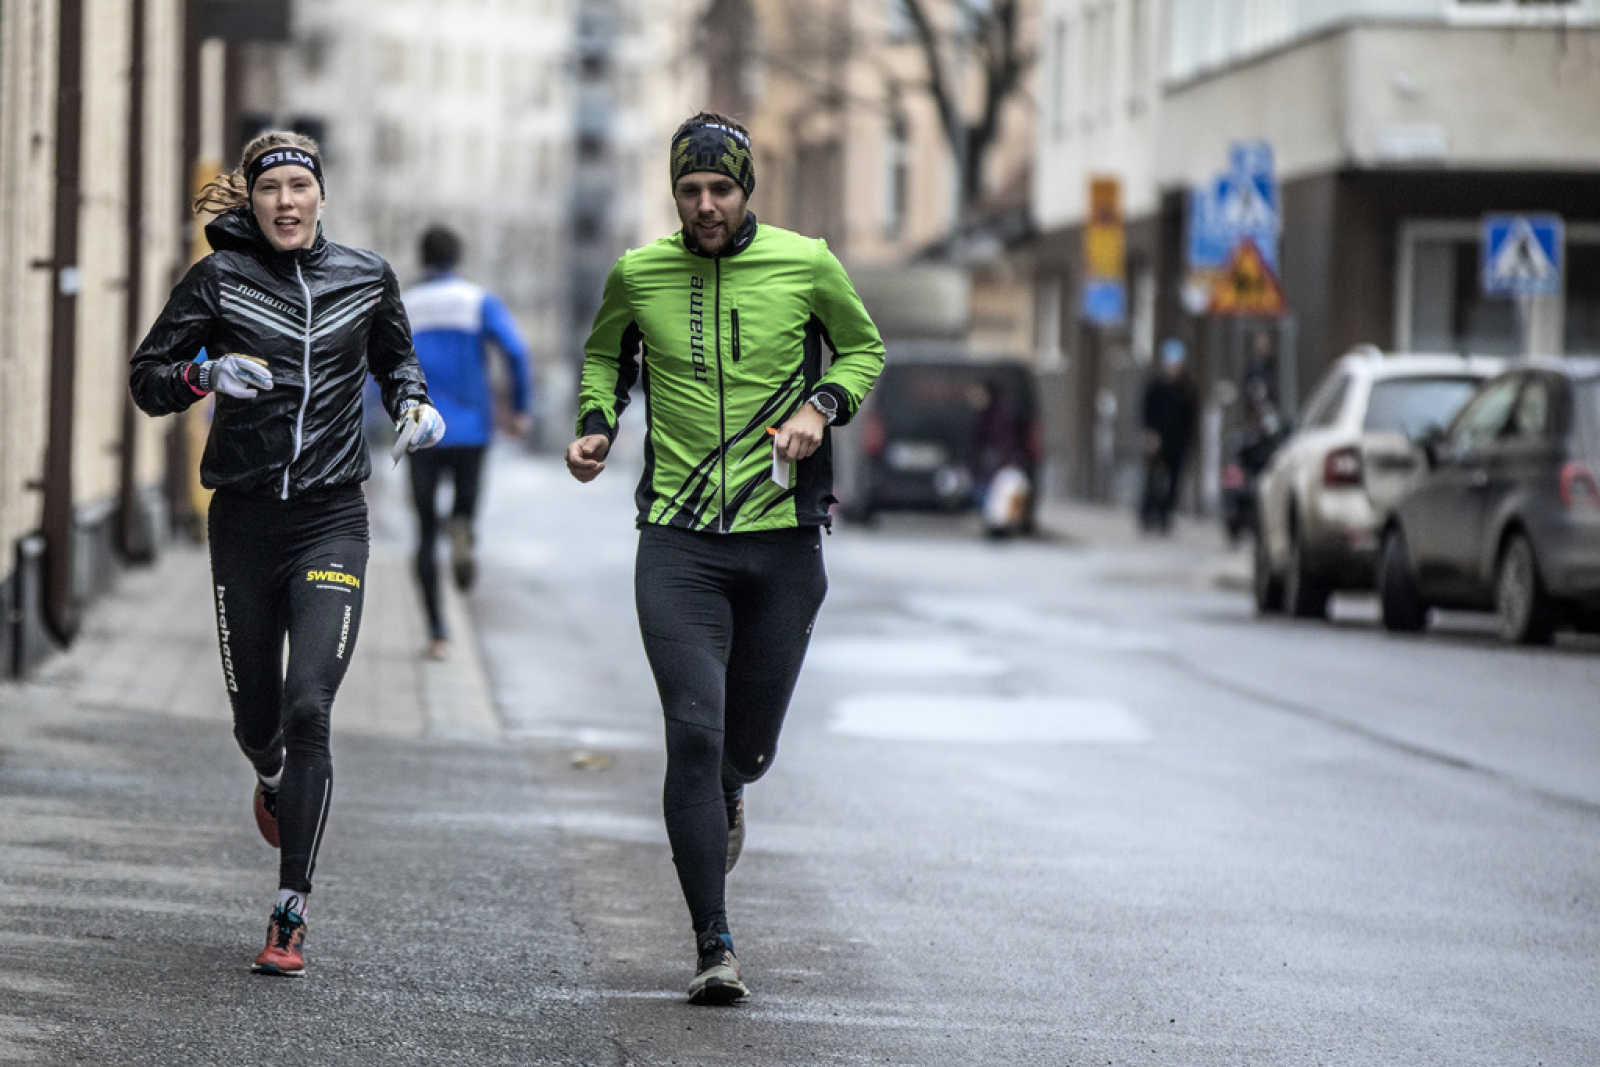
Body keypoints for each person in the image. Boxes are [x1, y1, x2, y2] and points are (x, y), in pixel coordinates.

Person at [565, 112, 884, 1005]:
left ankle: (735, 786)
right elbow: (604, 360)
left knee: (744, 748)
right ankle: (714, 941)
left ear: (746, 190)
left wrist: (822, 404)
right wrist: (595, 426)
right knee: (693, 733)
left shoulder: (806, 263)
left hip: (783, 543)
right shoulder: (638, 274)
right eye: (689, 190)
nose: (705, 205)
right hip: (677, 542)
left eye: (720, 189)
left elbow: (864, 347)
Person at [129, 131, 445, 978]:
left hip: (330, 518)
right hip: (244, 521)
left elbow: (397, 360)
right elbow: (148, 376)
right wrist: (203, 376)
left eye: (300, 186)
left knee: (311, 706)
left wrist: (413, 405)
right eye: (271, 189)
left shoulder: (366, 278)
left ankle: (290, 908)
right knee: (258, 723)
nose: (286, 201)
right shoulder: (220, 279)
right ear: (254, 199)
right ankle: (270, 775)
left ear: (320, 196)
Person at [402, 224, 533, 661]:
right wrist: (519, 407)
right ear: (457, 257)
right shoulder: (478, 301)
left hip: (420, 429)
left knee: (424, 532)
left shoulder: (405, 305)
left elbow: (375, 365)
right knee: (464, 509)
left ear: (423, 258)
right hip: (471, 429)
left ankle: (437, 633)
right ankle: (462, 527)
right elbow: (516, 351)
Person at [1140, 338, 1197, 533]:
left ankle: (1166, 515)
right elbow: (1147, 412)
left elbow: (1190, 417)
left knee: (1173, 481)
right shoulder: (1156, 386)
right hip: (1156, 442)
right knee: (1152, 477)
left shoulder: (1186, 389)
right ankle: (1147, 514)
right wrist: (1149, 433)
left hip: (1177, 443)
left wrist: (1189, 441)